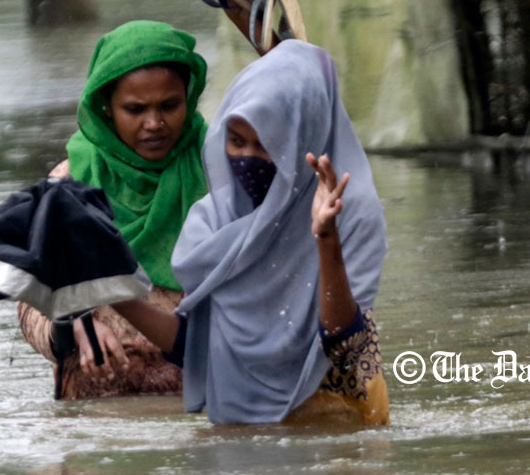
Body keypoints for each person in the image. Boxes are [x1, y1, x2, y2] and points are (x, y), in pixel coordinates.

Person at [108, 39, 389, 426]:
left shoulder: (351, 211)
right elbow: (195, 347)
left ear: (301, 141)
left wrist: (326, 240)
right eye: (236, 141)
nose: (247, 158)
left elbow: (344, 344)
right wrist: (112, 293)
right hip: (237, 430)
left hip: (338, 426)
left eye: (268, 144)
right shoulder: (212, 221)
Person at [18, 21, 211, 399]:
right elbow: (30, 305)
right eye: (135, 109)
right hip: (97, 411)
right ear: (106, 107)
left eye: (169, 106)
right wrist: (72, 325)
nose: (154, 124)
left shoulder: (216, 173)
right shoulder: (68, 187)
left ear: (188, 98)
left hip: (197, 405)